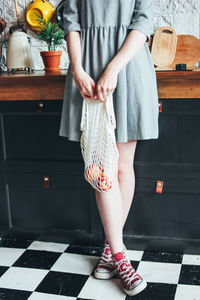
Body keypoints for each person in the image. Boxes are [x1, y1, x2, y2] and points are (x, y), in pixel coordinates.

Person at [59, 0, 159, 296]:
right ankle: (120, 256)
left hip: (128, 67)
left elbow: (142, 22)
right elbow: (71, 22)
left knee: (122, 166)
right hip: (87, 67)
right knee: (101, 166)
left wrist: (114, 69)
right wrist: (76, 68)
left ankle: (111, 250)